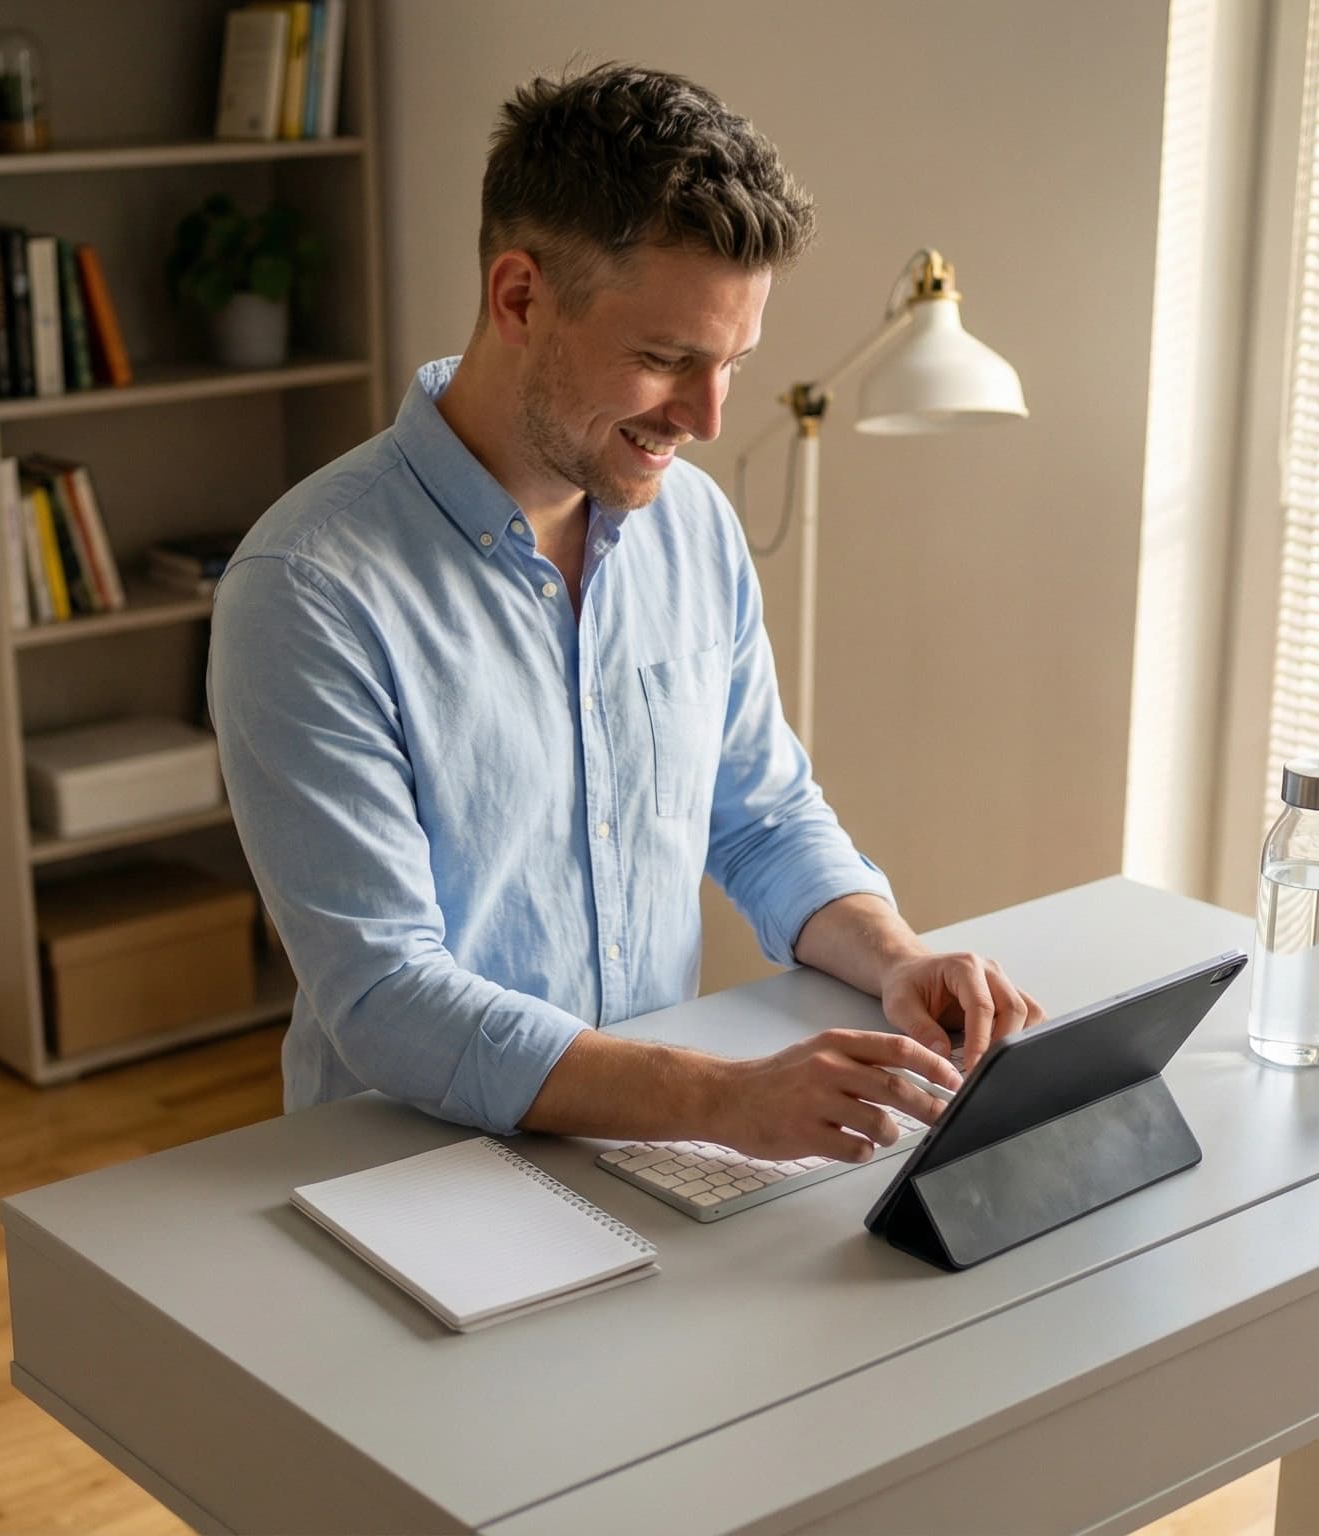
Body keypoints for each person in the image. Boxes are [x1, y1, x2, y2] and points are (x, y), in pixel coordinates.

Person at [208, 62, 1042, 1164]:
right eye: (664, 360)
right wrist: (719, 1101)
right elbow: (385, 995)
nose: (702, 415)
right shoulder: (308, 589)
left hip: (647, 1148)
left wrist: (892, 955)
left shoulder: (690, 525)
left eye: (733, 364)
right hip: (413, 1170)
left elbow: (759, 813)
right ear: (519, 298)